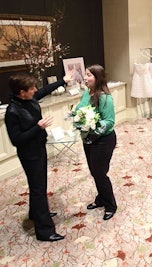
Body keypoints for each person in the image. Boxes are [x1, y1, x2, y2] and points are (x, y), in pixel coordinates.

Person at [5, 72, 72, 242]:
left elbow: (43, 91)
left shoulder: (29, 99)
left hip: (39, 149)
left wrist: (62, 81)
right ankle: (44, 231)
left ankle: (36, 213)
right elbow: (16, 140)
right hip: (29, 155)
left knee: (39, 186)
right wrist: (38, 127)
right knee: (38, 189)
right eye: (31, 88)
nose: (35, 90)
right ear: (21, 92)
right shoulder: (13, 111)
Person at [75, 64, 117, 221]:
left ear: (97, 78)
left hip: (104, 140)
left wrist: (93, 126)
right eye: (85, 75)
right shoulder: (87, 93)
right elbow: (80, 109)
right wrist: (75, 116)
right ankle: (101, 198)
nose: (85, 78)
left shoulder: (105, 98)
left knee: (100, 173)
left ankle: (111, 205)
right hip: (88, 139)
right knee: (94, 172)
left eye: (89, 75)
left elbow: (110, 122)